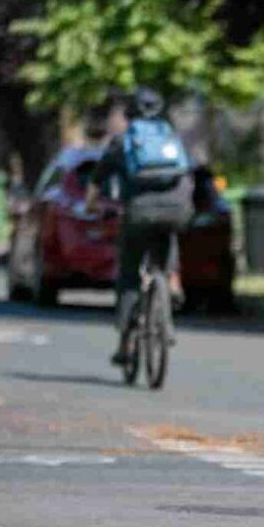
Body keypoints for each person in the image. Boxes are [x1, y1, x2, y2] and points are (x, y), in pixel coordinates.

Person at [86, 88, 194, 366]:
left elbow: (97, 180)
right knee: (167, 233)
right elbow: (186, 174)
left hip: (138, 211)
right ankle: (171, 279)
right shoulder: (171, 136)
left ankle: (127, 342)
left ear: (130, 113)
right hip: (177, 208)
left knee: (129, 273)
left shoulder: (123, 141)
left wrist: (91, 205)